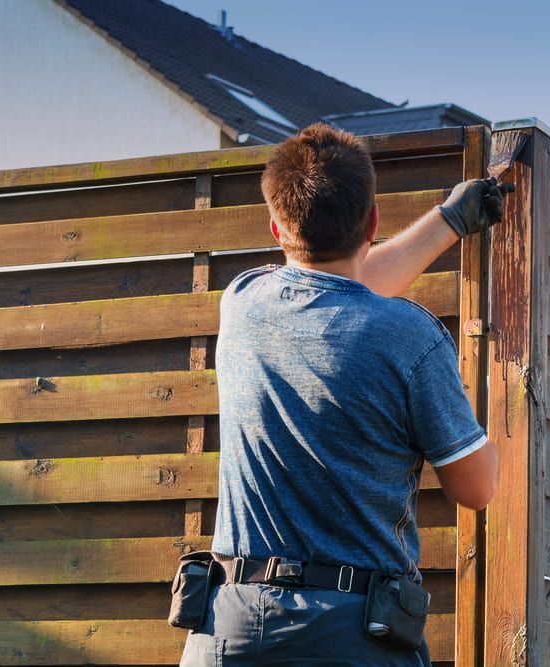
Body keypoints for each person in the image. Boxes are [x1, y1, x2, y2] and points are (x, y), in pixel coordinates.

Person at [179, 123, 501, 666]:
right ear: (372, 220)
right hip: (354, 634)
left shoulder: (243, 302)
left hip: (228, 629)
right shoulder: (411, 338)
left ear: (277, 229)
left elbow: (337, 291)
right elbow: (478, 488)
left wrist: (449, 223)